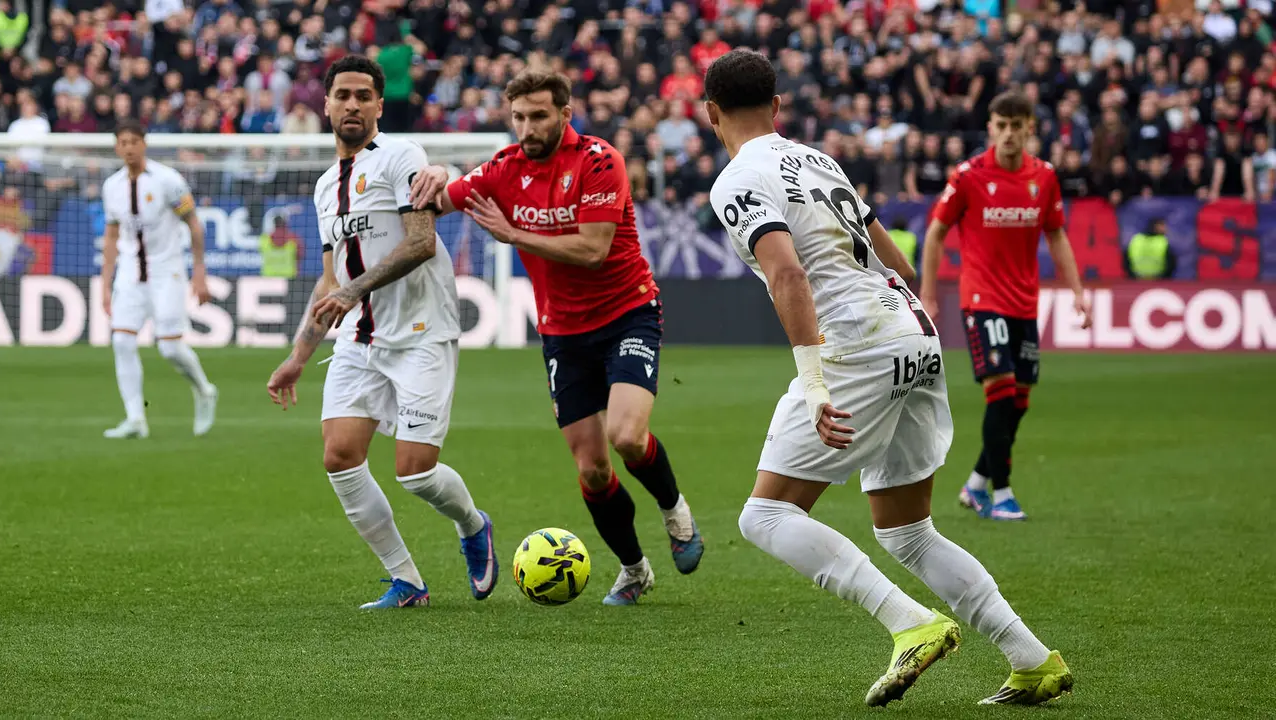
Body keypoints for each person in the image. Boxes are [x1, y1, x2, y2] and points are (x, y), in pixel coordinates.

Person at [704, 49, 1072, 707]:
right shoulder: (818, 158)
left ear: (711, 115)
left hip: (857, 345)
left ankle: (911, 624)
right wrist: (917, 319)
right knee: (906, 530)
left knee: (765, 514)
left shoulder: (737, 178)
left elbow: (788, 274)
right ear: (778, 107)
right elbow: (880, 244)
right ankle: (1032, 659)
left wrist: (815, 384)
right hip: (910, 330)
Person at [408, 69, 704, 606]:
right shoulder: (503, 168)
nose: (527, 127)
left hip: (627, 312)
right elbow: (440, 199)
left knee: (628, 436)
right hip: (563, 334)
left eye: (539, 116)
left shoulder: (598, 160)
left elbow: (592, 249)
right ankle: (634, 570)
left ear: (565, 114)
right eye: (518, 117)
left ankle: (674, 509)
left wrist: (513, 233)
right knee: (591, 470)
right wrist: (431, 171)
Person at [265, 55, 497, 610]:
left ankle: (472, 524)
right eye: (341, 95)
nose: (351, 104)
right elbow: (329, 281)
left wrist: (352, 290)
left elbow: (420, 243)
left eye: (362, 96)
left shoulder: (401, 156)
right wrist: (299, 356)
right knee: (339, 456)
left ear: (379, 105)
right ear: (325, 104)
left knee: (414, 473)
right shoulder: (325, 189)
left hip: (421, 331)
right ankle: (407, 581)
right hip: (360, 340)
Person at [920, 91, 1093, 522]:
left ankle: (976, 483)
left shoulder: (1045, 177)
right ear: (991, 128)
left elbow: (1056, 235)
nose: (1009, 133)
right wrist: (926, 293)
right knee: (1000, 394)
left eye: (1018, 125)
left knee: (1018, 400)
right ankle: (1002, 495)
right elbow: (936, 233)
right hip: (982, 299)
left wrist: (1077, 291)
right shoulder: (969, 175)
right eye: (1002, 125)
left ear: (1030, 128)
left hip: (1024, 302)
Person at [101, 119, 218, 439]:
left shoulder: (168, 180)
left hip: (167, 272)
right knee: (122, 340)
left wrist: (199, 271)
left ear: (143, 143)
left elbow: (194, 224)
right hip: (129, 275)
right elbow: (111, 236)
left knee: (169, 349)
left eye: (133, 142)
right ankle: (136, 418)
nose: (127, 148)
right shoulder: (111, 186)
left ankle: (205, 390)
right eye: (122, 142)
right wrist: (105, 284)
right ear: (116, 146)